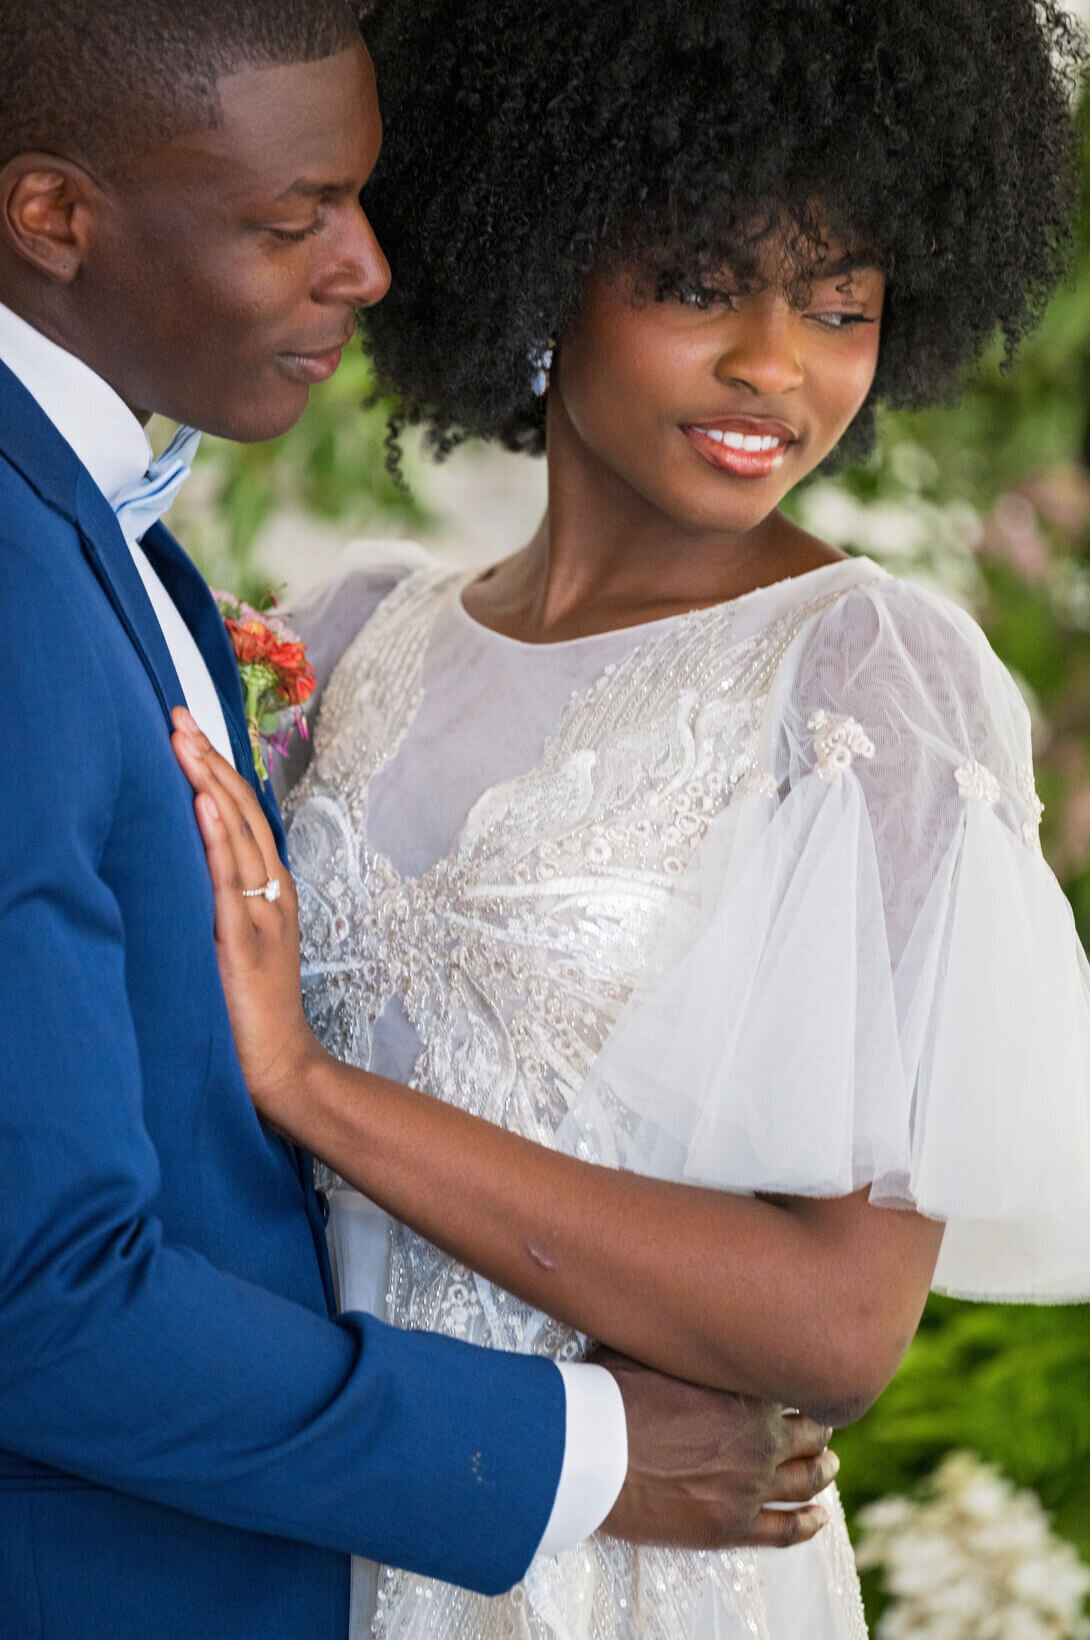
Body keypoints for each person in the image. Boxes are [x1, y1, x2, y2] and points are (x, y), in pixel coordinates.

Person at [172, 0, 1090, 1635]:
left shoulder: (864, 680)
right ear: (534, 269)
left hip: (632, 1572)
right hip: (311, 1524)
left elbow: (832, 1328)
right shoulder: (358, 630)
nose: (773, 367)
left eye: (838, 304)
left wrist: (306, 1087)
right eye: (694, 284)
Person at [0, 5, 842, 1639]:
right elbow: (34, 1291)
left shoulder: (101, 533)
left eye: (364, 199)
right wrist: (568, 1453)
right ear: (54, 218)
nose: (367, 268)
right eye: (287, 218)